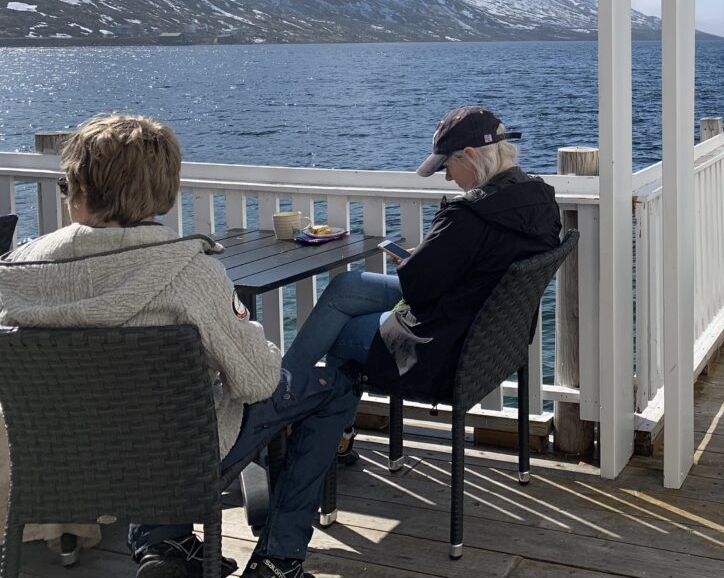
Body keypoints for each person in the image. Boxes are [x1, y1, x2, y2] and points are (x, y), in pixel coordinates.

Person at [0, 115, 358, 578]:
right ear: (164, 190)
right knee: (329, 387)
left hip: (59, 461)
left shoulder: (17, 270)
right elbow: (256, 381)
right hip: (175, 458)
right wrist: (262, 350)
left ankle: (165, 545)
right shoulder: (188, 270)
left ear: (81, 187)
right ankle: (279, 559)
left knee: (135, 411)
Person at [281, 106, 561, 444]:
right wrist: (438, 254)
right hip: (489, 335)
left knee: (340, 333)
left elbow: (417, 291)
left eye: (447, 166)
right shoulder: (541, 198)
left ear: (471, 155)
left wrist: (423, 255)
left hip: (440, 348)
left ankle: (292, 414)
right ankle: (291, 401)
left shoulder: (468, 214)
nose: (448, 178)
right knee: (345, 287)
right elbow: (490, 261)